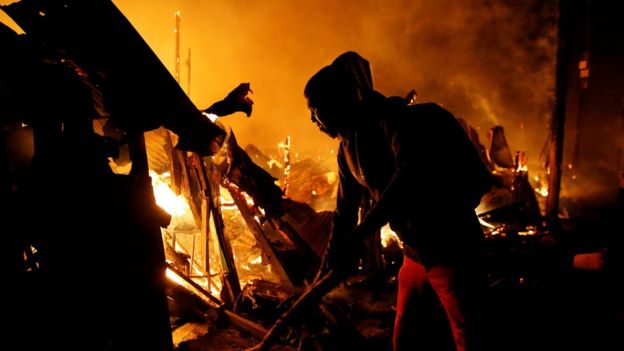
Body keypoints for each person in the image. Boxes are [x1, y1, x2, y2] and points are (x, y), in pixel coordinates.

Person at [304, 52, 493, 351]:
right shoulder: (347, 147)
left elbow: (406, 180)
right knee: (407, 337)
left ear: (340, 102)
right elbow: (344, 211)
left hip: (452, 249)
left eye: (316, 109)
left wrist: (358, 236)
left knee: (469, 335)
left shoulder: (396, 121)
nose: (313, 119)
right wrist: (325, 270)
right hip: (415, 254)